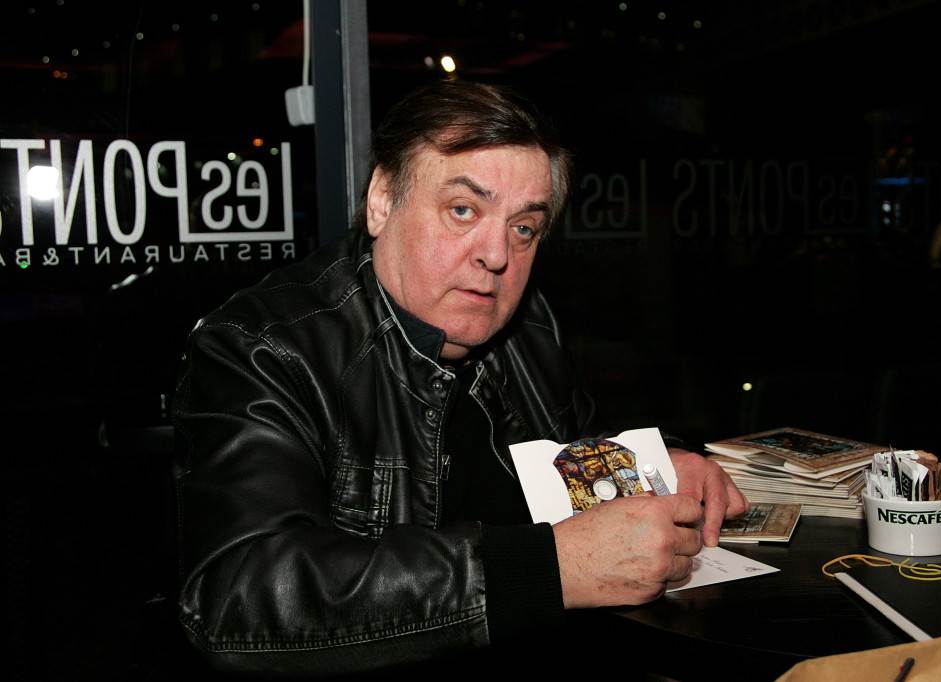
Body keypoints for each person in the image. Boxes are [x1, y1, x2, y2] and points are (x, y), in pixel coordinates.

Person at [172, 79, 747, 677]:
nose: (497, 255)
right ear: (381, 200)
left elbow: (575, 450)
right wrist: (547, 568)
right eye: (463, 210)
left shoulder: (528, 327)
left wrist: (655, 463)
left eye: (523, 228)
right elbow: (238, 599)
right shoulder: (262, 346)